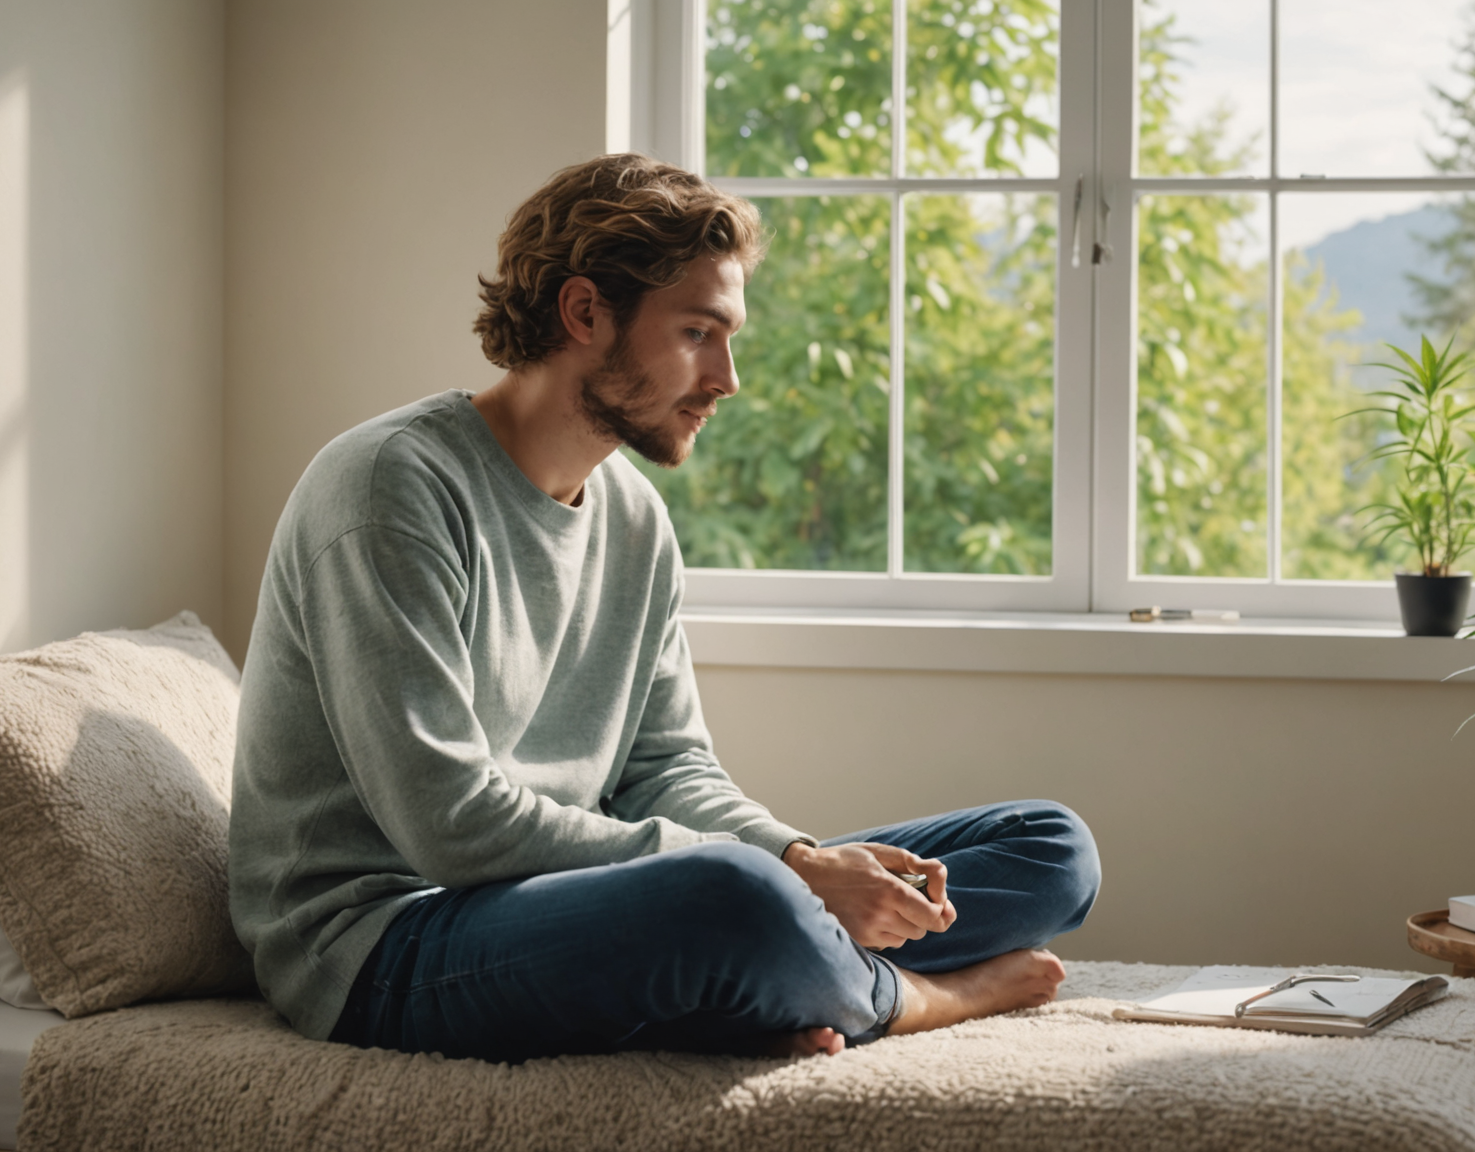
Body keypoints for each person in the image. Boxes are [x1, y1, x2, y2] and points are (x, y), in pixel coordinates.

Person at [228, 153, 1100, 1063]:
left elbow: (669, 769)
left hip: (564, 905)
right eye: (697, 333)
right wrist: (788, 876)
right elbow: (451, 827)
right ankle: (914, 998)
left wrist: (799, 854)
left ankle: (770, 975)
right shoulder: (388, 487)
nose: (728, 378)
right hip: (385, 942)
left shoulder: (634, 518)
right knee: (731, 895)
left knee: (1049, 847)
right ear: (584, 313)